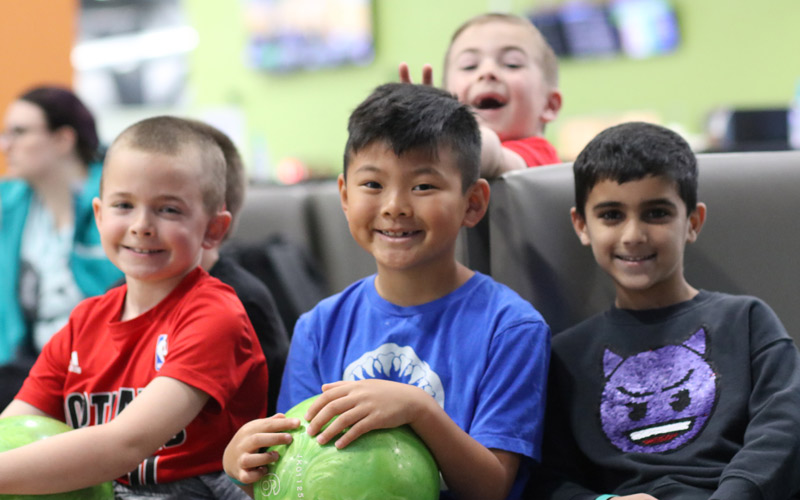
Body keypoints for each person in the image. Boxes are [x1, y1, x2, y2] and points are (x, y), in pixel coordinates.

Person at [223, 83, 551, 500]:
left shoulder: (511, 327)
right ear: (344, 195)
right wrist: (246, 466)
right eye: (373, 185)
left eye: (424, 186)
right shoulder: (320, 326)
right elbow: (298, 475)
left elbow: (493, 488)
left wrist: (419, 410)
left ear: (472, 203)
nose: (395, 205)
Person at [0, 115, 272, 499]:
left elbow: (124, 445)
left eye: (169, 210)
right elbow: (14, 428)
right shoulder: (85, 320)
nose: (142, 225)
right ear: (99, 215)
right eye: (124, 205)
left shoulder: (215, 315)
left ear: (214, 229)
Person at [528, 122, 800, 500]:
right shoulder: (566, 355)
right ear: (581, 225)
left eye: (656, 213)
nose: (633, 235)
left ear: (692, 222)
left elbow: (783, 429)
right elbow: (548, 479)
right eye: (611, 215)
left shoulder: (747, 321)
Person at [0, 86, 123, 408]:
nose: (5, 146)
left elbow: (116, 291)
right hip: (29, 359)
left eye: (19, 132)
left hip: (101, 363)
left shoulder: (120, 200)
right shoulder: (14, 201)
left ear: (63, 140)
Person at [185, 119, 290, 416]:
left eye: (168, 208)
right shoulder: (117, 297)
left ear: (216, 222)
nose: (142, 225)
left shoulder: (239, 301)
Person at [400, 12, 562, 177]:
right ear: (444, 99)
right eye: (469, 66)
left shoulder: (540, 157)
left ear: (550, 105)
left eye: (512, 64)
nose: (488, 71)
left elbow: (491, 156)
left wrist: (441, 131)